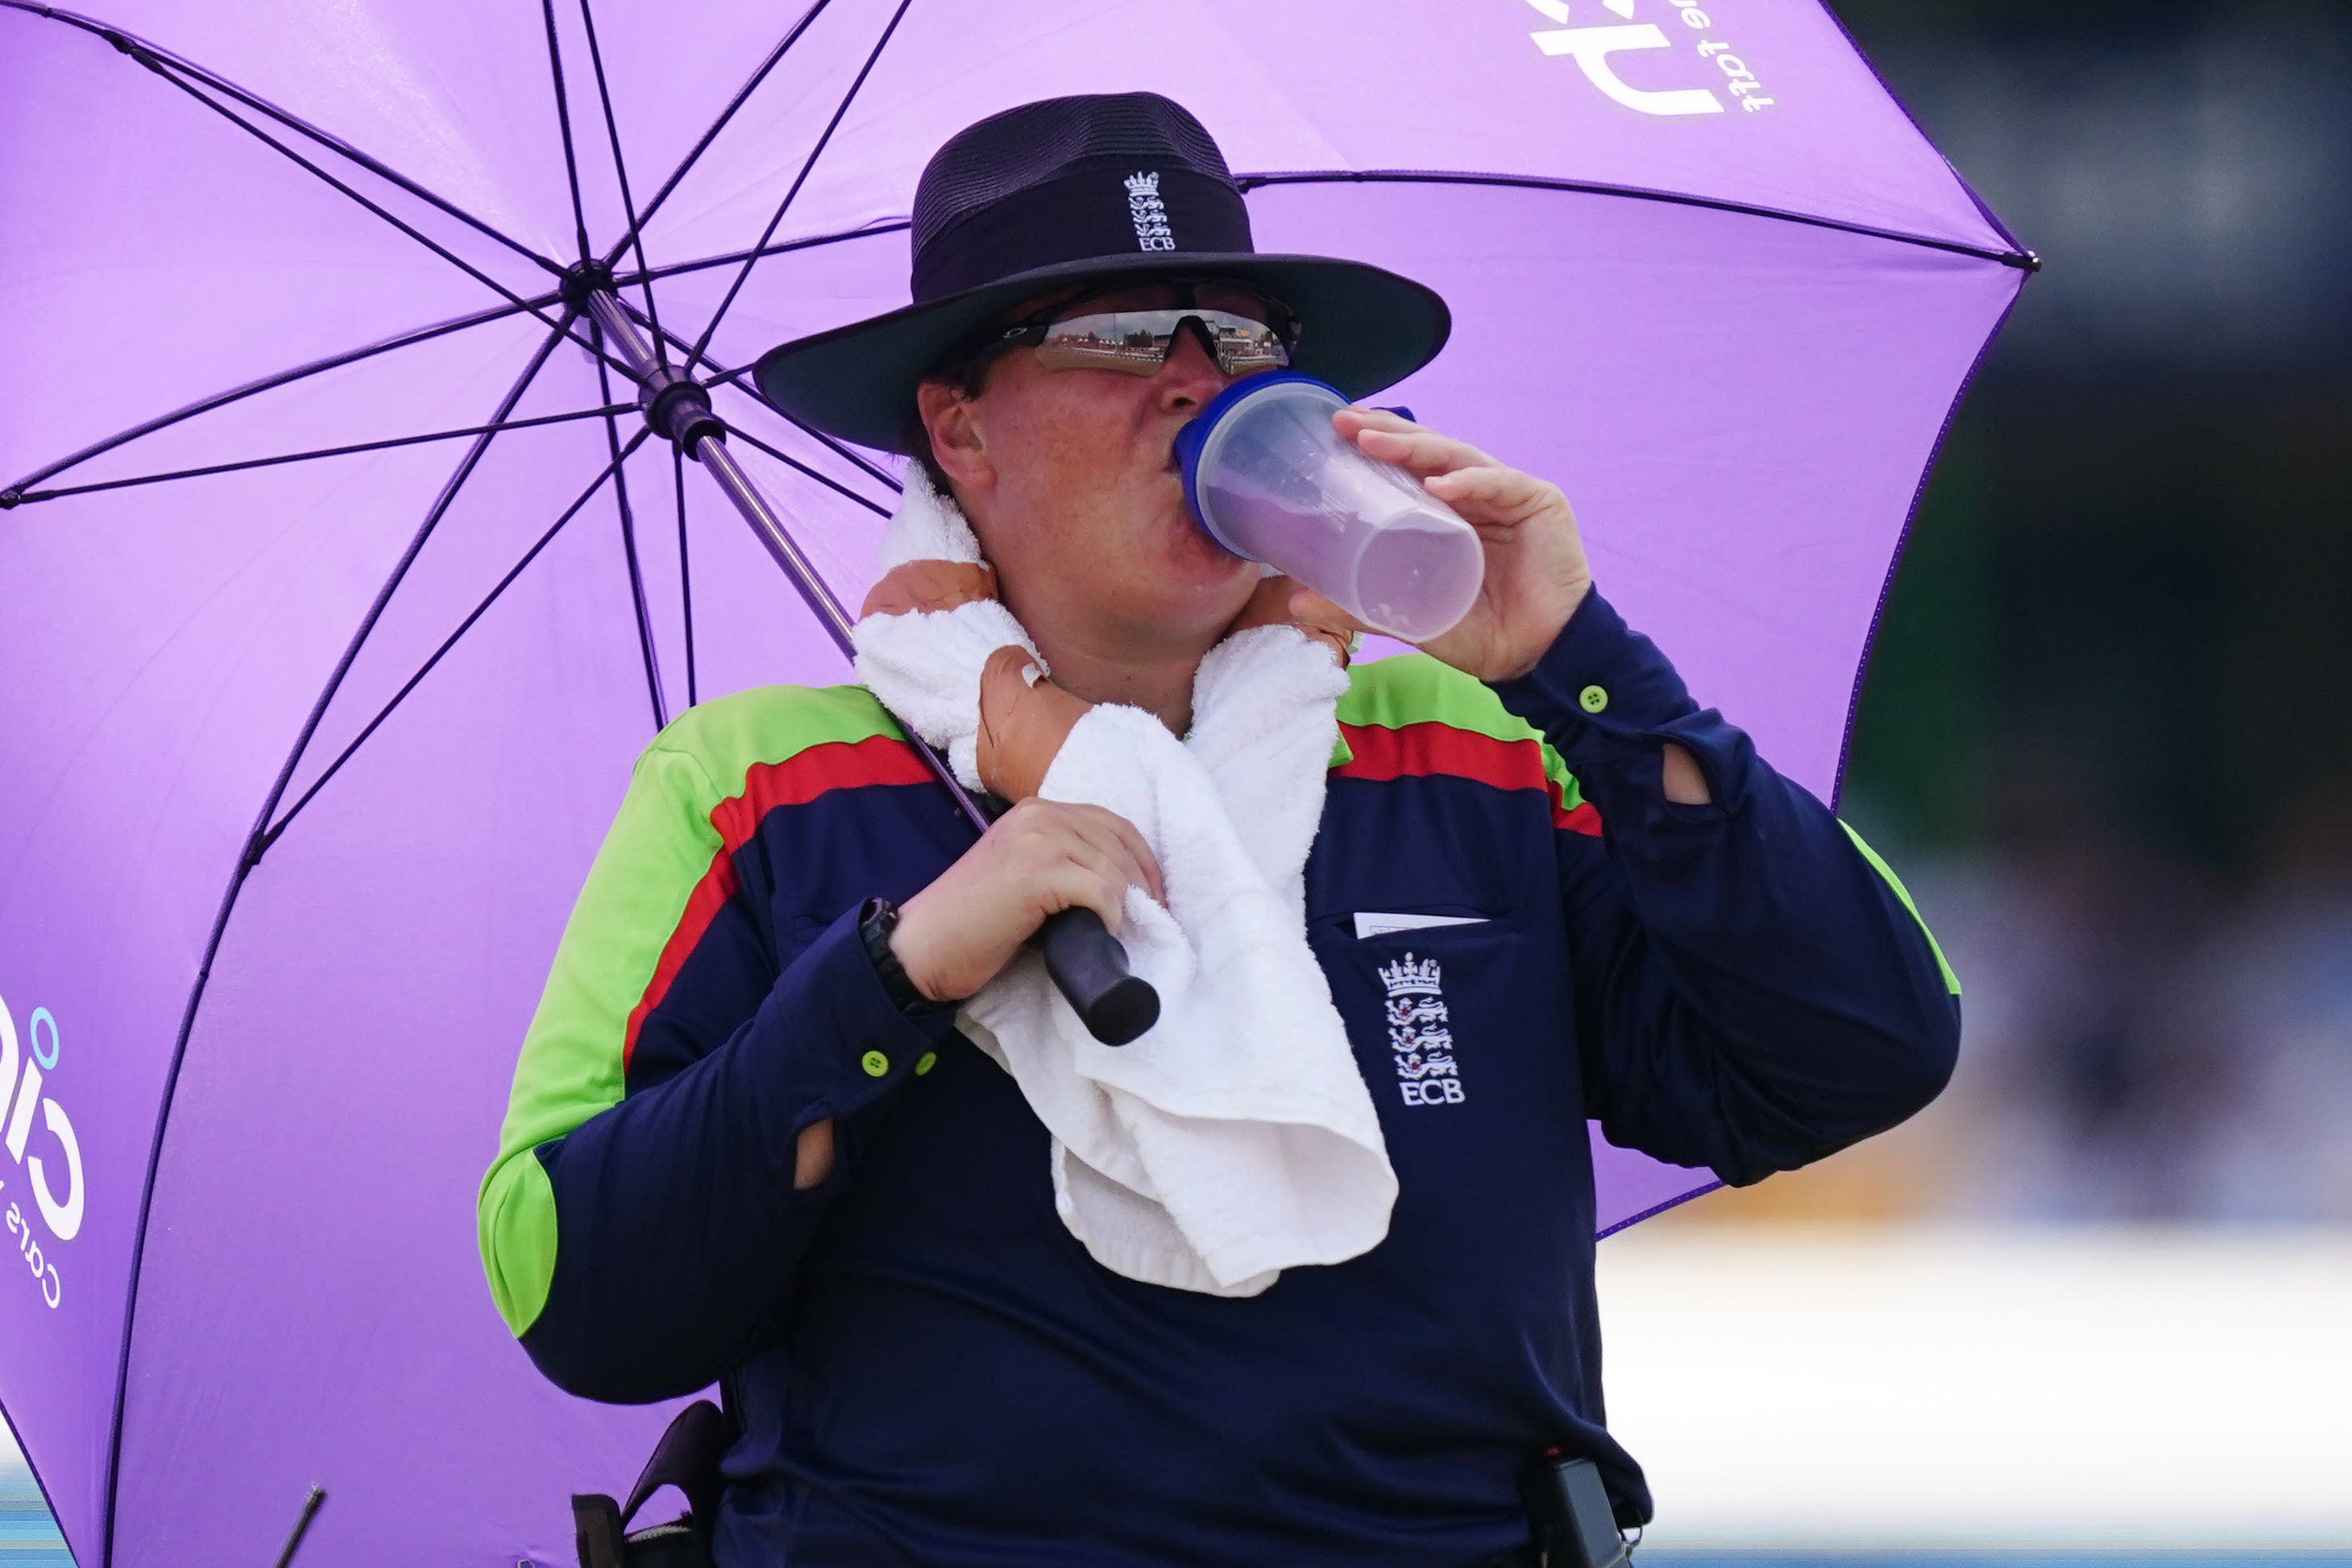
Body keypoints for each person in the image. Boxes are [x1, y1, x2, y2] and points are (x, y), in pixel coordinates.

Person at [477, 92, 1961, 1566]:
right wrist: (896, 974)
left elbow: (1861, 1043)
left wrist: (1583, 659)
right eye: (1125, 339)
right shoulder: (760, 779)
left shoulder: (1481, 736)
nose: (1197, 384)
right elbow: (580, 1288)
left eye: (1240, 340)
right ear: (960, 429)